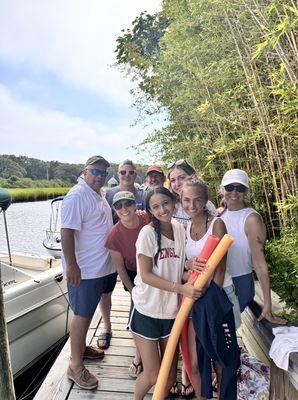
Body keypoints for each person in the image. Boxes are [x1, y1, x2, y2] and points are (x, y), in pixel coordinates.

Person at [129, 187, 202, 400]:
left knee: (169, 377)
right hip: (146, 311)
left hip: (170, 313)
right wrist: (181, 288)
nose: (162, 209)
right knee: (152, 374)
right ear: (150, 211)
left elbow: (178, 268)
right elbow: (146, 275)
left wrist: (190, 267)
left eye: (165, 203)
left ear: (174, 202)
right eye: (156, 207)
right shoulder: (148, 234)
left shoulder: (180, 228)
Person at [181, 178, 240, 399]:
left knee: (221, 357)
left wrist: (211, 300)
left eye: (197, 200)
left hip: (218, 296)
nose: (192, 205)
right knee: (200, 356)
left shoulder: (216, 224)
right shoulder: (185, 226)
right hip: (197, 298)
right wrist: (188, 264)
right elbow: (184, 265)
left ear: (206, 201)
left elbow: (220, 267)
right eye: (186, 200)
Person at [61, 155, 116, 390]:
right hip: (85, 270)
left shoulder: (99, 193)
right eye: (95, 171)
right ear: (85, 171)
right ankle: (75, 365)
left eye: (103, 173)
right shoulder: (77, 195)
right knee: (82, 315)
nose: (100, 176)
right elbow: (66, 232)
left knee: (89, 312)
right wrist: (72, 265)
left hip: (101, 268)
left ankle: (82, 349)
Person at [219, 168, 286, 324]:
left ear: (246, 191)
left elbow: (260, 264)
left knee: (224, 329)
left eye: (240, 187)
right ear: (222, 189)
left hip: (239, 282)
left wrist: (267, 305)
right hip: (219, 281)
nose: (234, 192)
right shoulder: (219, 215)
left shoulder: (251, 219)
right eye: (229, 187)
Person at [105, 191, 150, 378]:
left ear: (135, 205)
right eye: (119, 206)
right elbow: (120, 268)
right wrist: (132, 290)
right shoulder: (113, 236)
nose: (124, 209)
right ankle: (138, 356)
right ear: (115, 210)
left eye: (128, 204)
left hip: (154, 267)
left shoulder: (146, 218)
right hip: (133, 273)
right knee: (136, 311)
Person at [167, 159, 216, 226]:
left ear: (193, 178)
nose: (177, 184)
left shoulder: (206, 205)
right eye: (173, 180)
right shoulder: (171, 206)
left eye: (182, 178)